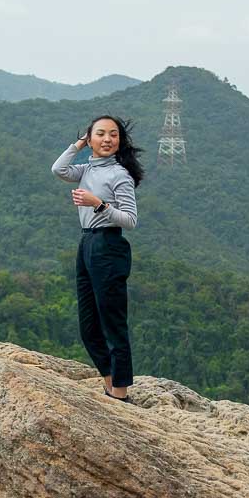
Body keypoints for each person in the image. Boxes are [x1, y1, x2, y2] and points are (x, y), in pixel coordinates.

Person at [51, 115, 145, 403]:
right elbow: (58, 168)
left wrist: (99, 204)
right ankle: (109, 384)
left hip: (109, 244)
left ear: (120, 141)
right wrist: (77, 143)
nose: (107, 139)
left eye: (113, 135)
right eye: (100, 134)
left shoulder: (119, 174)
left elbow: (130, 219)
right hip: (87, 243)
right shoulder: (86, 169)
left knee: (112, 322)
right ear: (90, 139)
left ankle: (121, 393)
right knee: (88, 326)